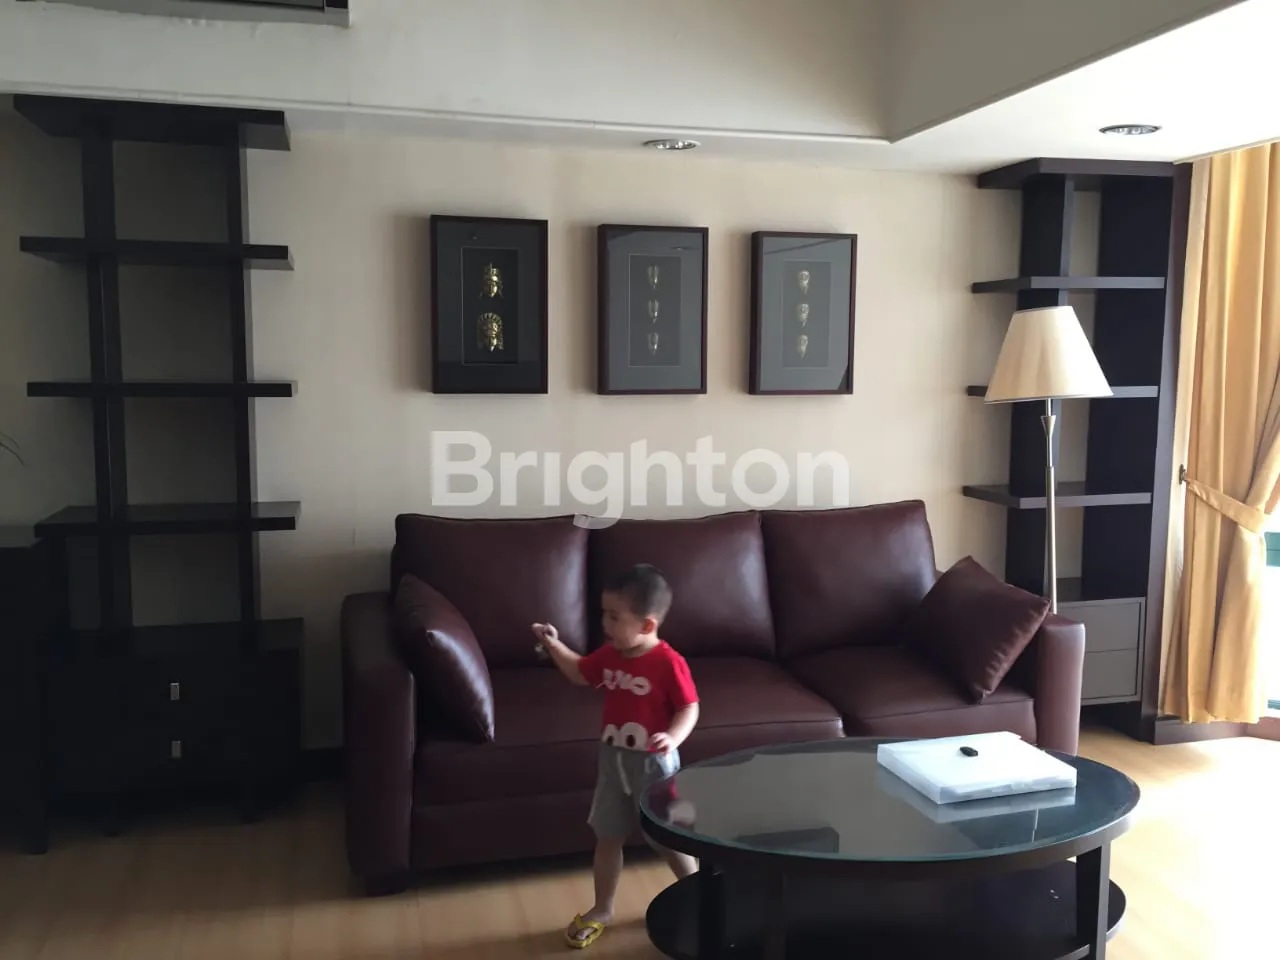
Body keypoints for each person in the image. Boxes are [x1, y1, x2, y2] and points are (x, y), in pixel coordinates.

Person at [532, 563, 700, 950]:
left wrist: (673, 737)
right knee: (607, 836)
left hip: (653, 763)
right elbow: (579, 672)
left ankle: (698, 893)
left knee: (667, 840)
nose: (604, 623)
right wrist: (553, 644)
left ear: (647, 624)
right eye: (604, 613)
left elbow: (689, 707)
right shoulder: (611, 654)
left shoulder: (668, 662)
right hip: (612, 760)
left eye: (614, 616)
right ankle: (603, 908)